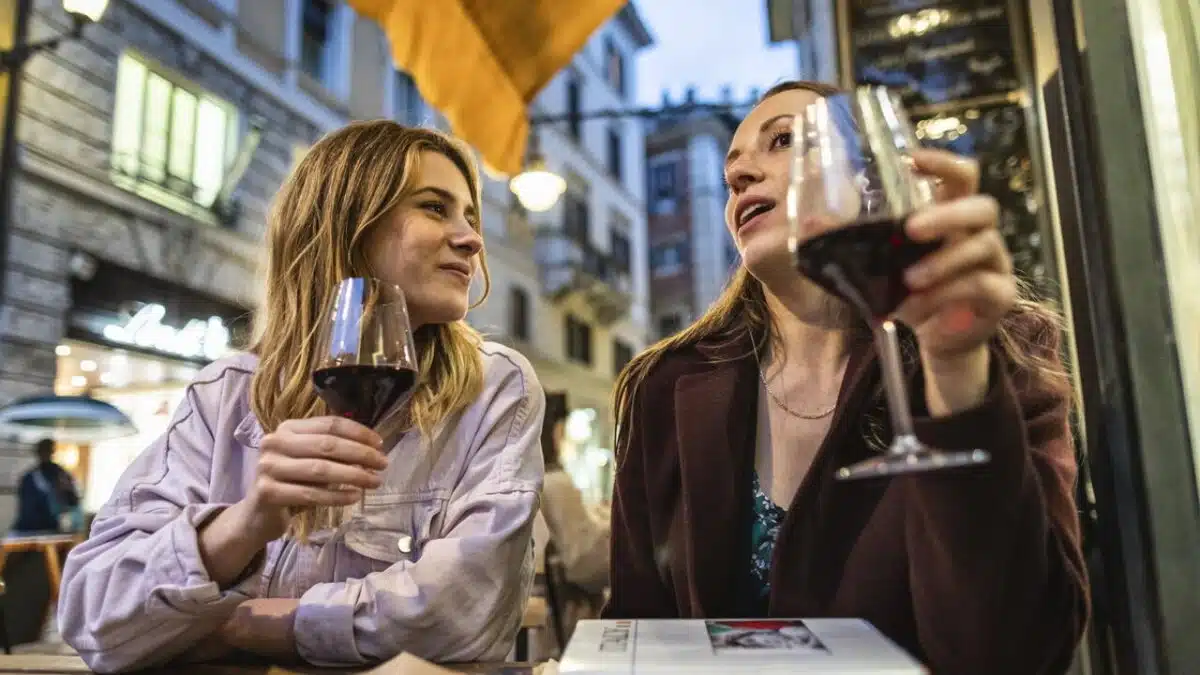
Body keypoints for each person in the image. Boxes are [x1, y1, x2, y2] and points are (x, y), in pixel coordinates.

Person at [604, 81, 1088, 675]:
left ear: (868, 180)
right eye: (732, 170)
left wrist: (956, 371)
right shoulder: (662, 386)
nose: (740, 176)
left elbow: (1015, 652)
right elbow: (633, 629)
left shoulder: (995, 347)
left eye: (783, 140)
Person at [57, 122, 546, 672]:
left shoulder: (493, 388)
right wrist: (248, 523)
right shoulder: (225, 395)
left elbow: (463, 615)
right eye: (435, 207)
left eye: (470, 216)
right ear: (345, 224)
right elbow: (91, 615)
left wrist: (252, 624)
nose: (471, 239)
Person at [535, 393, 609, 652]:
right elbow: (587, 564)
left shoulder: (528, 482)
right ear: (554, 430)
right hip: (562, 634)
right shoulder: (556, 484)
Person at [12, 438, 83, 534]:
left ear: (52, 452)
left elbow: (74, 500)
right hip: (29, 529)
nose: (45, 454)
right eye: (42, 451)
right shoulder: (29, 478)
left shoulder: (61, 475)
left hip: (52, 530)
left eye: (48, 451)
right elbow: (26, 509)